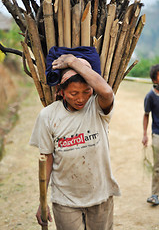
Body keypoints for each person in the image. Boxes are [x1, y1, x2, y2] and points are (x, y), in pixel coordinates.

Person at [30, 46, 120, 230]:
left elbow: (107, 92)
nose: (81, 99)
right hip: (65, 200)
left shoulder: (97, 107)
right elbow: (46, 157)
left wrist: (72, 61)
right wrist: (42, 200)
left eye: (86, 92)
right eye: (73, 93)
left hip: (100, 195)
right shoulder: (48, 116)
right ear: (61, 91)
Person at [142, 64, 159, 205]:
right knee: (157, 167)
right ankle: (155, 194)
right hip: (157, 135)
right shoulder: (150, 96)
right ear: (154, 79)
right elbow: (146, 115)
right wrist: (145, 134)